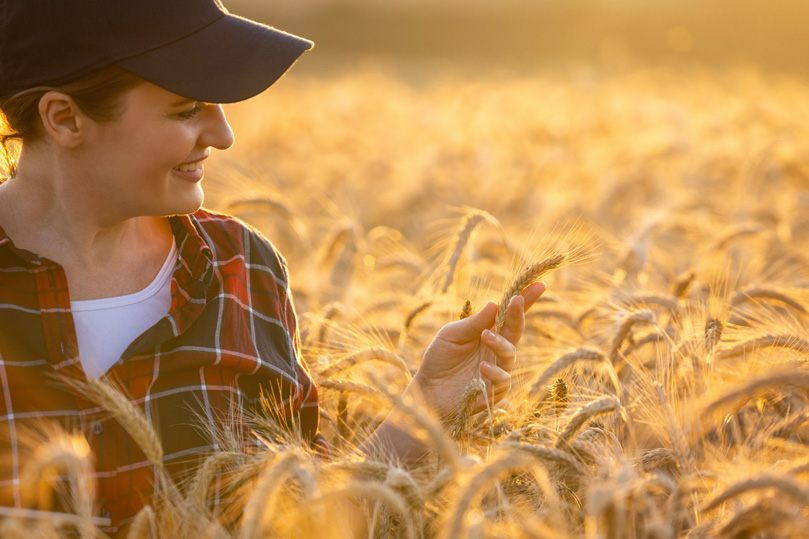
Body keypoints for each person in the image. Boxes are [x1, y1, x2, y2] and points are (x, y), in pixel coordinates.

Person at [0, 0, 546, 533]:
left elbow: (306, 506)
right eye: (187, 109)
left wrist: (428, 403)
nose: (223, 135)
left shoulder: (243, 267)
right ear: (65, 118)